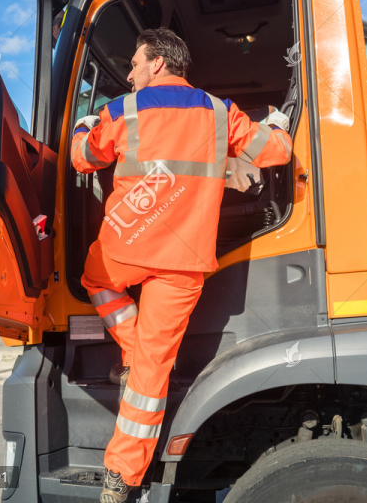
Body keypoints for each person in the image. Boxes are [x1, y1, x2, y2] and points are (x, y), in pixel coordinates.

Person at [71, 27, 293, 503]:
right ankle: (121, 478)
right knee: (153, 372)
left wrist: (82, 127)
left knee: (94, 279)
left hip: (123, 248)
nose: (129, 74)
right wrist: (276, 124)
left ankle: (127, 349)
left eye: (133, 64)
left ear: (157, 63)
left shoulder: (122, 111)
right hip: (183, 262)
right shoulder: (220, 112)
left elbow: (82, 159)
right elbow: (275, 153)